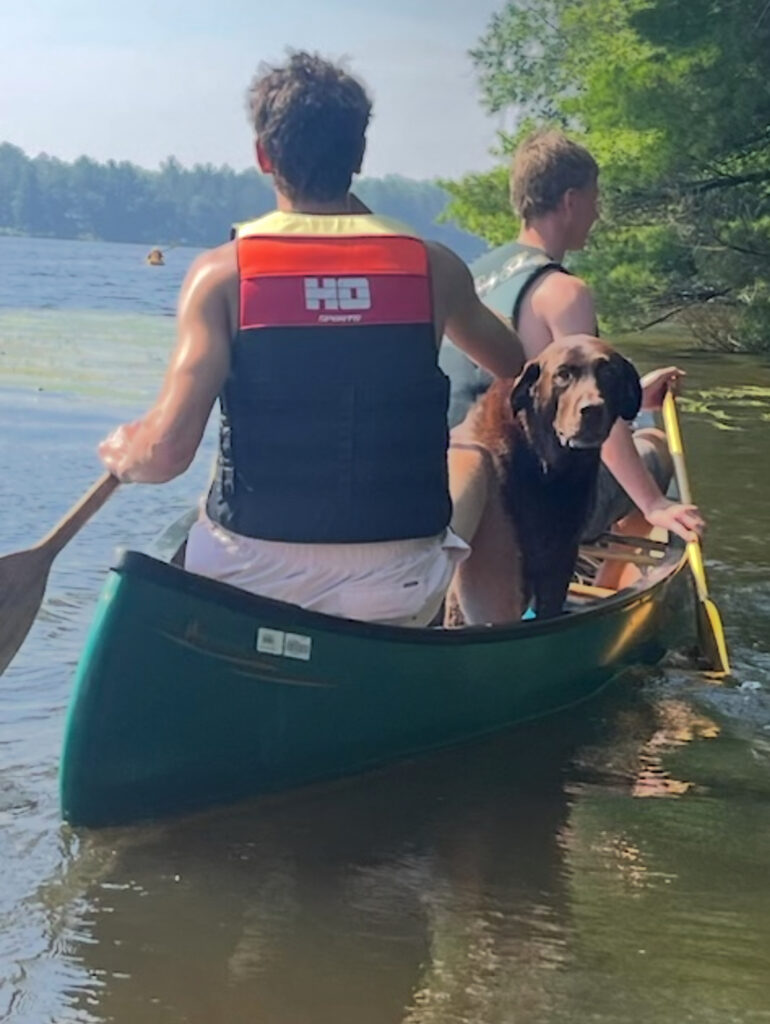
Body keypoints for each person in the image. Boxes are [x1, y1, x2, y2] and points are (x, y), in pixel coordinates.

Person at [98, 51, 525, 627]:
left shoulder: (222, 276)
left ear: (262, 155)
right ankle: (490, 661)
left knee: (206, 500)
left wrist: (129, 453)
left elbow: (167, 453)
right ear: (360, 157)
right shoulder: (435, 269)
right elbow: (513, 362)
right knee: (475, 459)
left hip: (247, 573)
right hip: (394, 583)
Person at [442, 129, 703, 593]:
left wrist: (634, 393)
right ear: (569, 201)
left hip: (454, 480)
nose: (597, 212)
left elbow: (529, 396)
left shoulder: (474, 274)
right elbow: (603, 432)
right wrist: (653, 503)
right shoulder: (564, 293)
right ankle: (614, 591)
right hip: (519, 499)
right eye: (594, 199)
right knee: (654, 448)